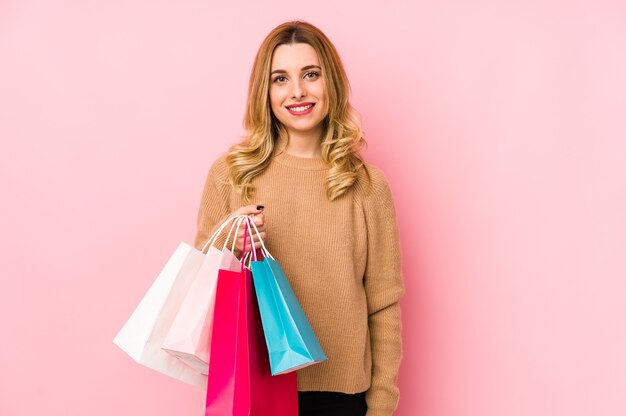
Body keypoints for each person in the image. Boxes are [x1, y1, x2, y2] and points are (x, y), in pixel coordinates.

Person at [194, 20, 404, 416]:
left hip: (342, 398)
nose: (297, 92)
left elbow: (384, 305)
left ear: (332, 83)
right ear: (265, 91)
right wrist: (230, 245)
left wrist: (381, 405)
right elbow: (201, 287)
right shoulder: (232, 175)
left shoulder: (366, 186)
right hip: (253, 388)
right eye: (280, 79)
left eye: (311, 74)